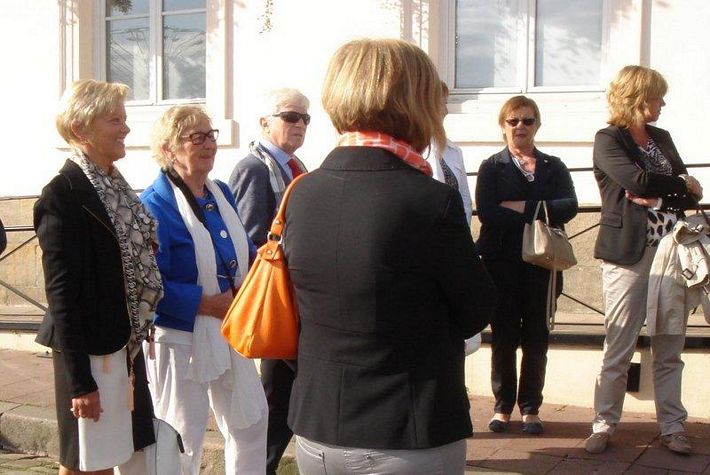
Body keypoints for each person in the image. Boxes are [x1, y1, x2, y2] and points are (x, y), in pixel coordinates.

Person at [282, 38, 496, 475]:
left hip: (318, 427)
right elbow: (476, 309)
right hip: (406, 428)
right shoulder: (429, 199)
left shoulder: (302, 192)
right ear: (414, 101)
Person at [34, 79, 161, 474]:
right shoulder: (63, 194)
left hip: (122, 344)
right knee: (87, 464)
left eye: (124, 119)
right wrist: (79, 382)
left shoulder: (117, 189)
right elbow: (61, 295)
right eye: (114, 120)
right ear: (80, 128)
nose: (126, 129)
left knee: (113, 456)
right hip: (89, 350)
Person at [141, 105, 268, 474]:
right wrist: (207, 304)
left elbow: (243, 250)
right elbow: (150, 282)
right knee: (182, 436)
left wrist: (265, 269)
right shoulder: (153, 204)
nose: (209, 144)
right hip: (180, 336)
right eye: (196, 138)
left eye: (211, 135)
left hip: (230, 326)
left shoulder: (220, 192)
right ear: (168, 149)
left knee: (251, 421)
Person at [584, 66, 702, 455]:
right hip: (627, 254)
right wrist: (677, 185)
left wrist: (662, 196)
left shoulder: (661, 138)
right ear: (638, 97)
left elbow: (691, 194)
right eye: (657, 96)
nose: (663, 103)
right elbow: (637, 181)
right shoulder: (608, 139)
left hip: (672, 253)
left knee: (669, 345)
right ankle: (603, 424)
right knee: (619, 344)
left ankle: (672, 426)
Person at [475, 95, 578, 435]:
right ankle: (502, 406)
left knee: (537, 336)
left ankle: (531, 408)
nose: (520, 126)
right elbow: (488, 212)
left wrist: (521, 206)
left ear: (537, 125)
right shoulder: (492, 167)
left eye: (528, 120)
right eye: (513, 120)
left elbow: (570, 206)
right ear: (503, 125)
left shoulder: (553, 166)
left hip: (543, 263)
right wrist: (542, 210)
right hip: (501, 262)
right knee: (503, 335)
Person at [228, 88, 309, 474]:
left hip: (299, 297)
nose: (300, 125)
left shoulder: (297, 166)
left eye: (305, 118)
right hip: (276, 298)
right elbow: (248, 240)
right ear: (265, 122)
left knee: (285, 395)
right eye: (291, 116)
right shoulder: (254, 168)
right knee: (277, 396)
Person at [427, 80, 481, 355]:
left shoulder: (453, 150)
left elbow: (464, 199)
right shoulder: (412, 147)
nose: (446, 110)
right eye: (442, 102)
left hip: (455, 242)